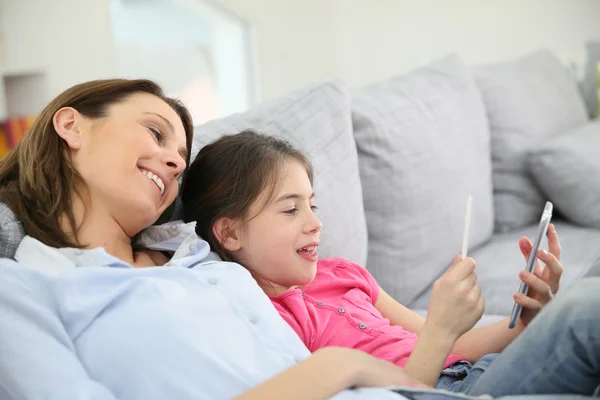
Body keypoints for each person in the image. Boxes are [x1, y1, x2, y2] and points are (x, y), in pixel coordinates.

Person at [0, 78, 461, 400]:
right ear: (71, 126)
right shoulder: (25, 288)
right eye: (155, 132)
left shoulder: (197, 257)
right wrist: (340, 366)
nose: (176, 163)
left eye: (180, 156)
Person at [180, 130, 600, 397]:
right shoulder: (268, 320)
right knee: (588, 310)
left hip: (476, 371)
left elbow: (451, 347)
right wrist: (440, 329)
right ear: (230, 233)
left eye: (312, 204)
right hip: (440, 391)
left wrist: (528, 322)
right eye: (290, 211)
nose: (315, 223)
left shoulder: (343, 272)